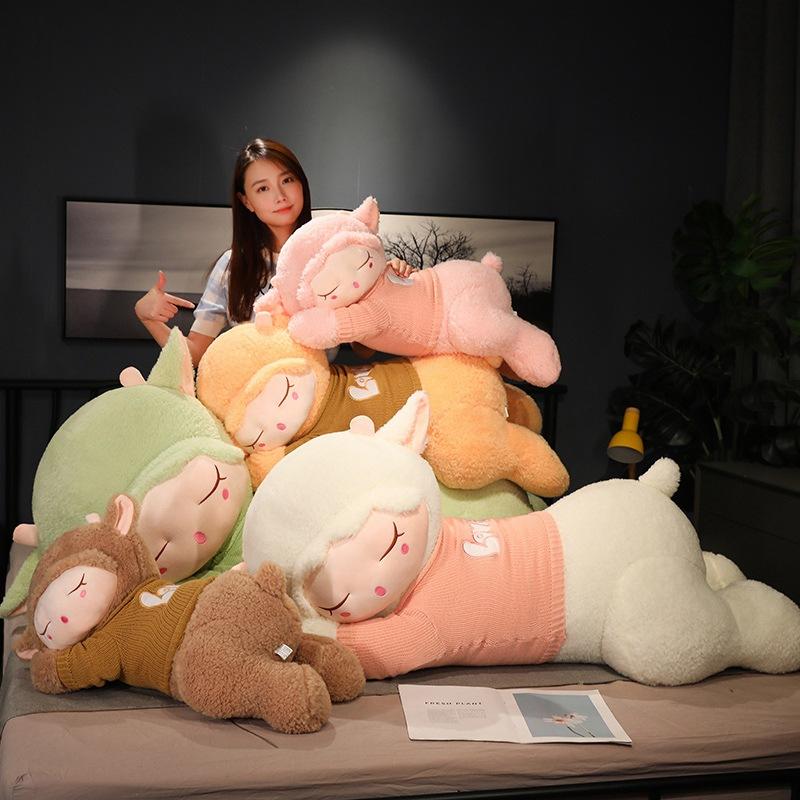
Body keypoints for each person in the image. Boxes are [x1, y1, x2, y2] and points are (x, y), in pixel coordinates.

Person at [135, 138, 411, 366]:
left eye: (287, 180)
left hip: (320, 393)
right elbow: (194, 355)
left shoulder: (337, 252)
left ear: (301, 183)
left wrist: (385, 286)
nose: (280, 196)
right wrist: (148, 318)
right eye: (263, 188)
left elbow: (364, 349)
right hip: (253, 397)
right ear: (247, 201)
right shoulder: (233, 265)